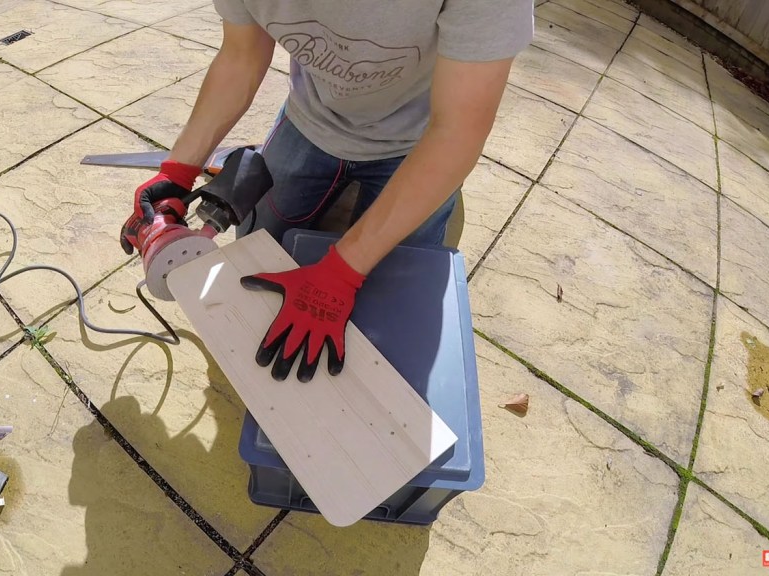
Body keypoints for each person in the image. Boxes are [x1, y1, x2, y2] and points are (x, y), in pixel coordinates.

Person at [123, 1, 535, 382]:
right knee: (258, 257)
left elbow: (459, 130)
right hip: (312, 117)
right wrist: (178, 170)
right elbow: (241, 56)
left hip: (420, 139)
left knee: (398, 300)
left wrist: (344, 269)